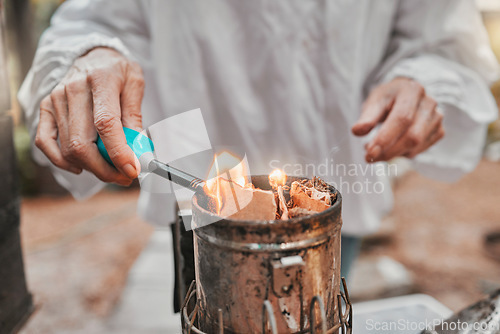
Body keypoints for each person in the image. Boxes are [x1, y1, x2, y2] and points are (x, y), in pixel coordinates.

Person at [19, 0, 498, 281]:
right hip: (199, 190)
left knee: (316, 310)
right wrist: (94, 53)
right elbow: (94, 19)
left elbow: (443, 39)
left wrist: (422, 78)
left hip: (336, 183)